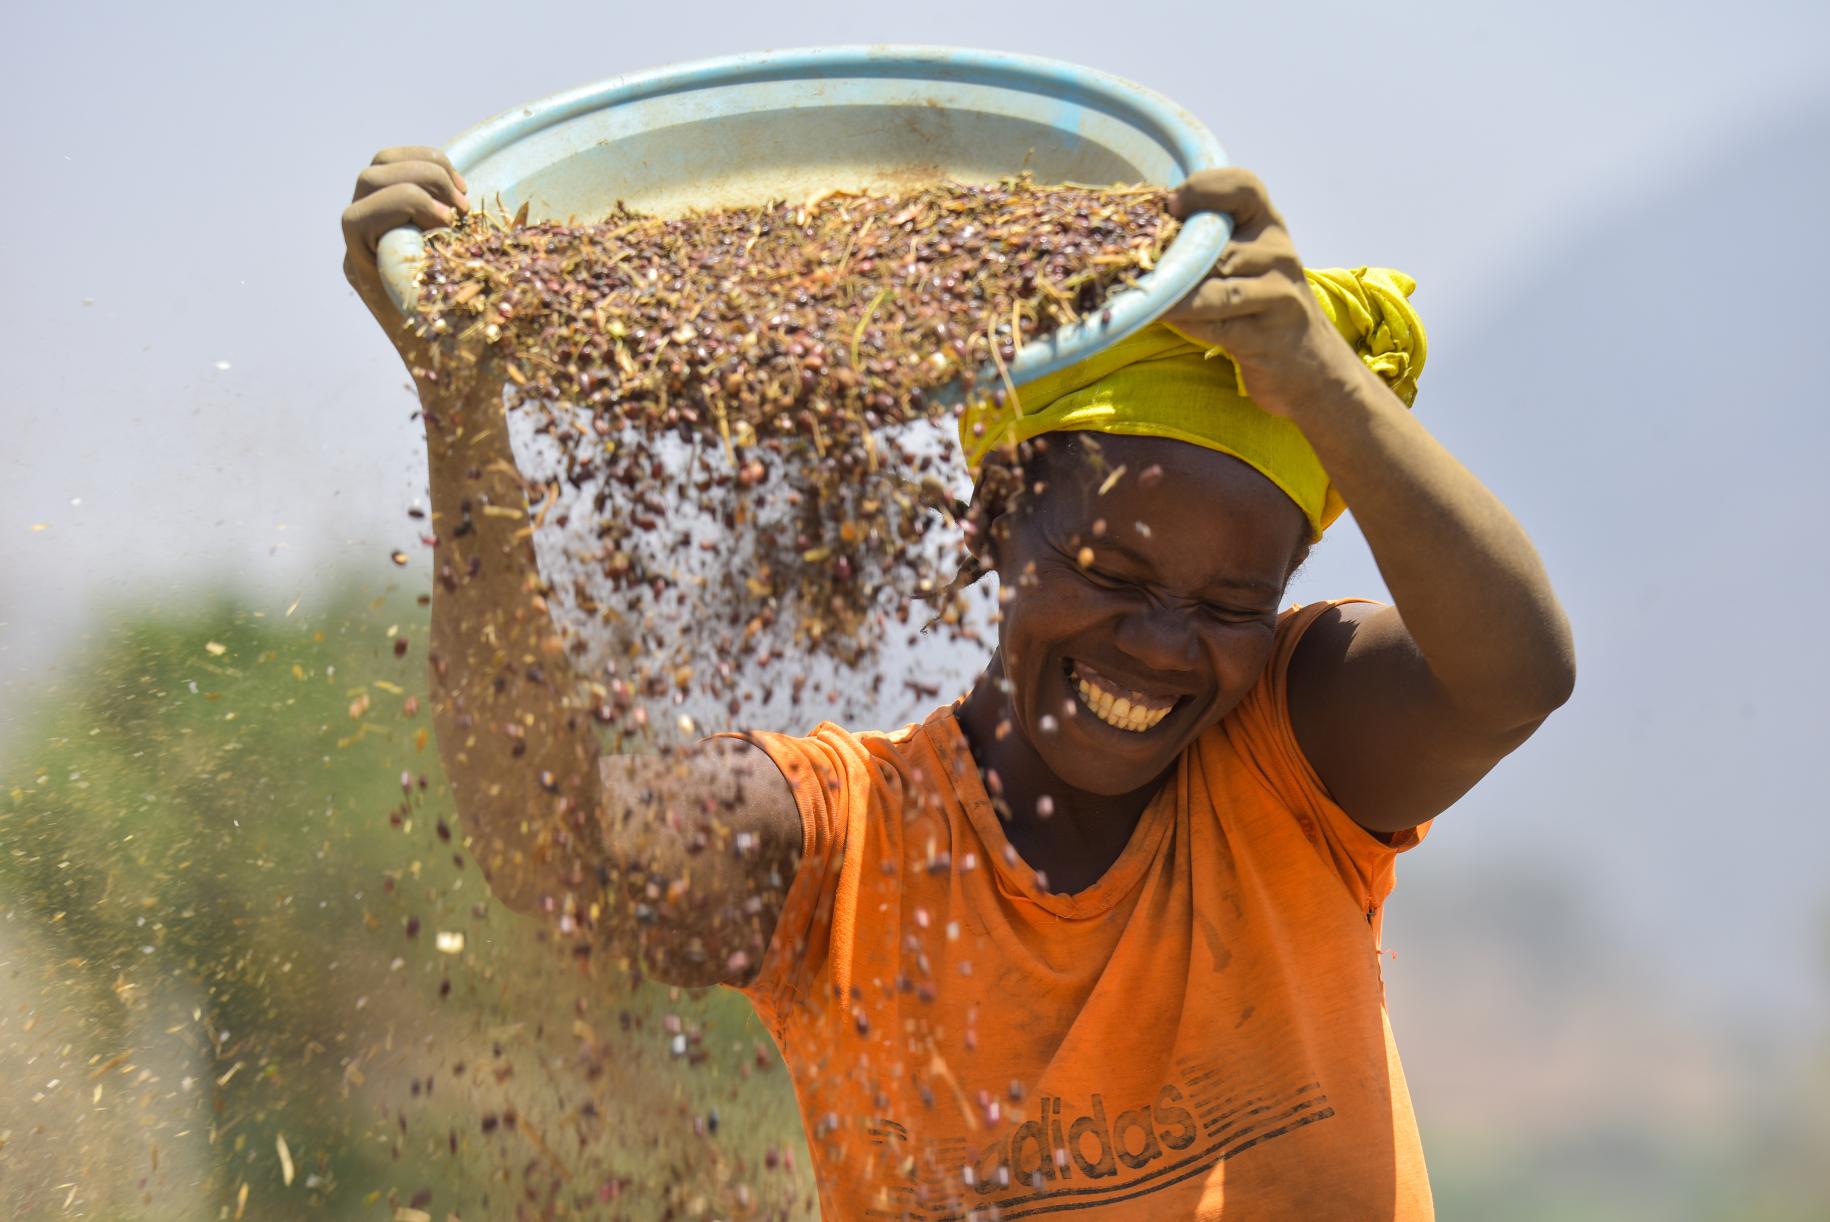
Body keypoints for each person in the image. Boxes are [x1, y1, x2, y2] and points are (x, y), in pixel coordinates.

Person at [341, 147, 1574, 1219]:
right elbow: (558, 853)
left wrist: (1318, 381)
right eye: (1108, 567)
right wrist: (462, 404)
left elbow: (1518, 673)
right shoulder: (849, 850)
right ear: (995, 518)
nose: (1157, 642)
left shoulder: (1294, 759)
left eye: (1227, 605)